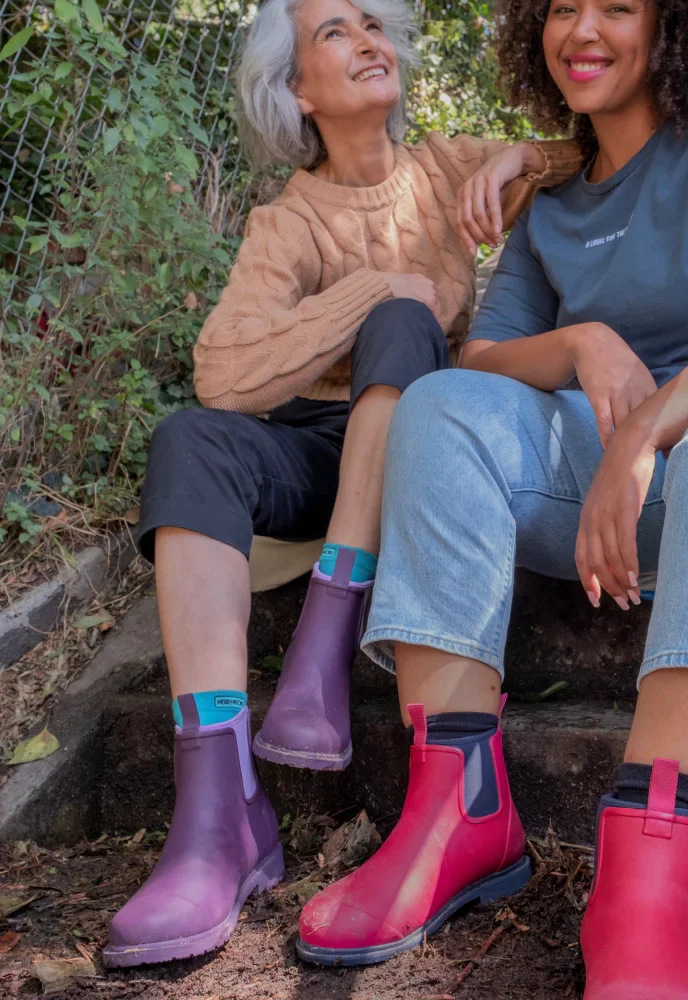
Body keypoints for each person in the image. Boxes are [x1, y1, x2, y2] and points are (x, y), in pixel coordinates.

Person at [295, 0, 688, 994]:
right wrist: (585, 343)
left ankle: (645, 884)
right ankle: (454, 810)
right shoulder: (549, 201)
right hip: (647, 512)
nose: (582, 30)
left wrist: (641, 427)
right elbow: (489, 355)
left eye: (617, 7)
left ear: (674, 24)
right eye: (561, 8)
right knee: (442, 405)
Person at [102, 0, 579, 968]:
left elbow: (583, 148)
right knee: (191, 438)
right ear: (295, 92)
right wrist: (372, 290)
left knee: (408, 334)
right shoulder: (285, 222)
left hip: (429, 451)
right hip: (318, 452)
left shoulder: (445, 165)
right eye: (334, 33)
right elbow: (224, 376)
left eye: (372, 25)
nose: (366, 42)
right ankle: (217, 817)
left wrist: (515, 161)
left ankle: (327, 645)